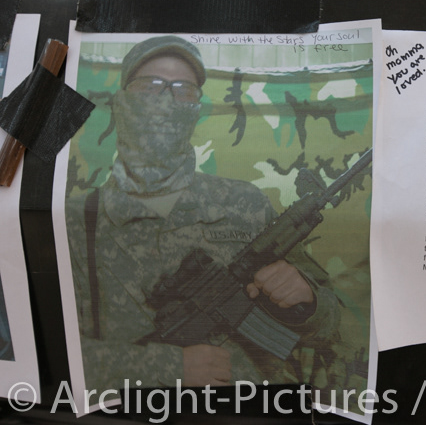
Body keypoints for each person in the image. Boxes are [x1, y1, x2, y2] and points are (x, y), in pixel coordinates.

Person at [65, 36, 340, 393]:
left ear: (196, 110)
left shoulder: (245, 203)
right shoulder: (75, 222)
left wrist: (306, 301)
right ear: (120, 103)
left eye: (183, 91)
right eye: (149, 87)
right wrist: (167, 368)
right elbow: (40, 352)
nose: (166, 101)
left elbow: (331, 329)